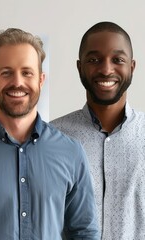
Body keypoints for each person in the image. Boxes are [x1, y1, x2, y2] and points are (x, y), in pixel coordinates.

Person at [0, 28, 99, 239]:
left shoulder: (71, 152)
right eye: (6, 73)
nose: (17, 82)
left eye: (27, 72)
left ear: (41, 79)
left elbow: (84, 232)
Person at [51, 21, 145, 239]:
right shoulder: (52, 137)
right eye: (94, 60)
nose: (105, 69)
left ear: (131, 67)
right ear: (79, 67)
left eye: (117, 60)